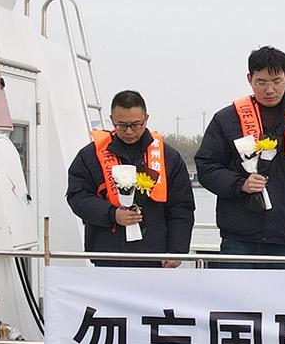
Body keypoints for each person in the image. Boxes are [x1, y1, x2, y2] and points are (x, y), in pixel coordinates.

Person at [195, 45, 285, 269]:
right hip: (239, 236)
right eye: (261, 82)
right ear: (249, 79)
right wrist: (240, 183)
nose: (270, 90)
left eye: (276, 81)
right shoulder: (227, 119)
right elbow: (206, 167)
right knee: (235, 294)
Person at [65, 90, 196, 267]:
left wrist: (177, 250)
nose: (128, 131)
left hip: (155, 257)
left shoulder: (168, 157)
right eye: (121, 125)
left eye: (135, 125)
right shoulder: (90, 156)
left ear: (146, 119)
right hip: (107, 255)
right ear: (112, 120)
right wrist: (112, 214)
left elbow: (181, 207)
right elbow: (78, 196)